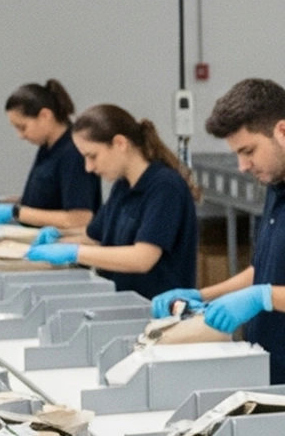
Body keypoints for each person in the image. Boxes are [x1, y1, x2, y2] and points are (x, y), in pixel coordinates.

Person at [149, 79, 285, 402]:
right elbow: (266, 270)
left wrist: (264, 297)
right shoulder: (278, 191)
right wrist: (204, 296)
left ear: (283, 132)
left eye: (248, 151)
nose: (243, 166)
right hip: (275, 381)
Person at [23, 105, 200, 298]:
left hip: (155, 307)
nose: (88, 168)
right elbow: (95, 235)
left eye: (92, 156)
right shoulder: (123, 186)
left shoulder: (165, 187)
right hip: (124, 302)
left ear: (119, 143)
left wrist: (73, 252)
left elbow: (142, 258)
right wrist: (58, 239)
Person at [0, 81, 102, 230]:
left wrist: (15, 213)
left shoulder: (73, 153)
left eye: (22, 127)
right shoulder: (47, 149)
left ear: (45, 115)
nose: (21, 136)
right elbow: (41, 201)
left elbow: (79, 219)